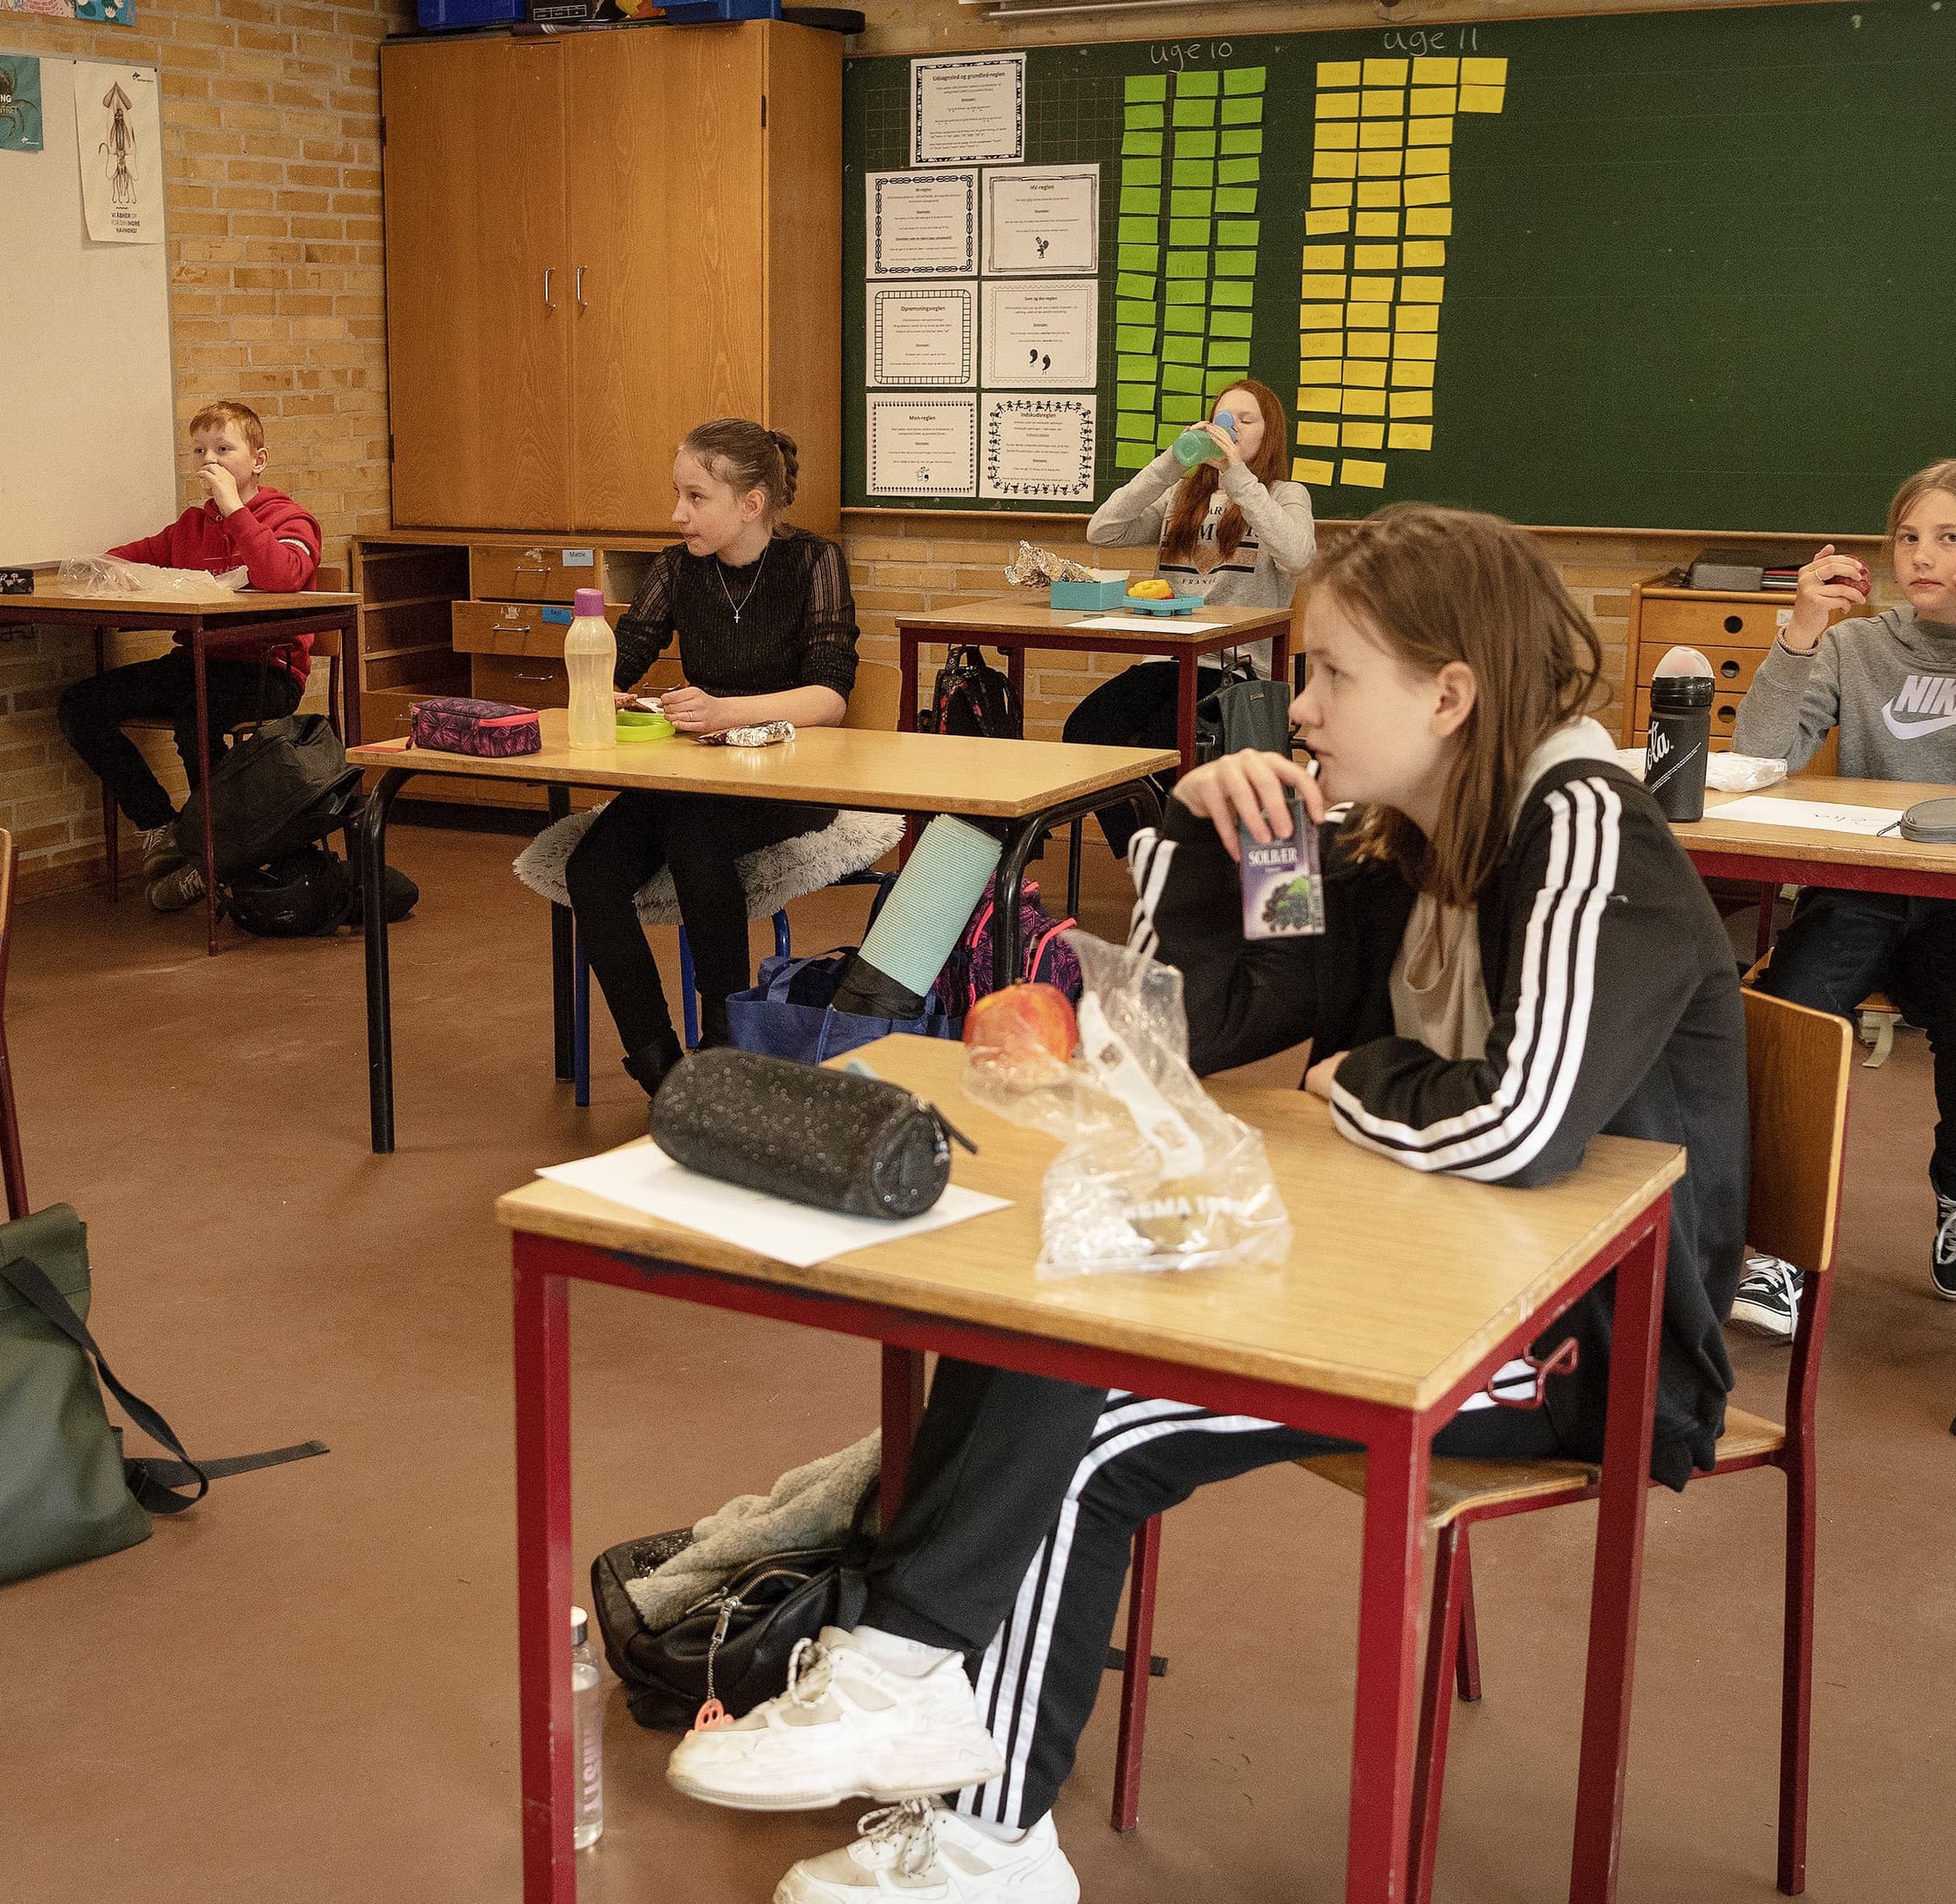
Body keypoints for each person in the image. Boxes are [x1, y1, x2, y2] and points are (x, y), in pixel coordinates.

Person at [664, 505, 1747, 1903]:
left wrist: (1361, 1073)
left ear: (1450, 693)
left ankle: (976, 1808)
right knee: (1044, 1310)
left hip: (1581, 1341)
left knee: (1099, 1430)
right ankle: (908, 1677)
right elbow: (1186, 1032)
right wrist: (1192, 831)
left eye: (1332, 675)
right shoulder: (1376, 831)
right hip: (1403, 1270)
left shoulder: (1589, 825)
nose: (1298, 707)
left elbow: (1523, 1124)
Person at [1729, 457, 1956, 1339]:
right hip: (1863, 893)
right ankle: (1776, 1238)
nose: (1921, 556)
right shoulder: (1861, 645)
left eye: (1950, 539)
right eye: (1908, 536)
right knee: (1791, 1006)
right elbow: (1760, 751)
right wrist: (1803, 631)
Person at [566, 418, 859, 1094]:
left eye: (696, 498)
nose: (678, 515)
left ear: (750, 503)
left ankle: (728, 1050)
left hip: (789, 779)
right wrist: (604, 687)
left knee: (694, 838)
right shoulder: (676, 568)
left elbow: (829, 698)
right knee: (592, 869)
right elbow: (623, 654)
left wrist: (728, 712)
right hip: (693, 772)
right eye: (677, 494)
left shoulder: (814, 563)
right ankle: (659, 1063)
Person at [52, 397, 323, 913]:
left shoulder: (291, 518)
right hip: (197, 661)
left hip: (265, 670)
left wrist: (236, 511)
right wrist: (91, 572)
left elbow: (282, 576)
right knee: (82, 705)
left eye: (224, 449)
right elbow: (127, 559)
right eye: (200, 450)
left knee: (196, 717)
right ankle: (162, 826)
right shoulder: (190, 528)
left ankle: (216, 853)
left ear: (257, 461)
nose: (210, 461)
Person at [1063, 377, 1318, 850]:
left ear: (1269, 433)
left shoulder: (1284, 494)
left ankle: (1170, 854)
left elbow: (1299, 557)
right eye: (1225, 417)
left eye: (1247, 419)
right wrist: (1171, 464)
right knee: (1087, 730)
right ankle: (1150, 853)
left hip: (1233, 670)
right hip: (1165, 660)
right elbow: (1102, 530)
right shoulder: (1181, 496)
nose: (1233, 427)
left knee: (1165, 743)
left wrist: (1238, 477)